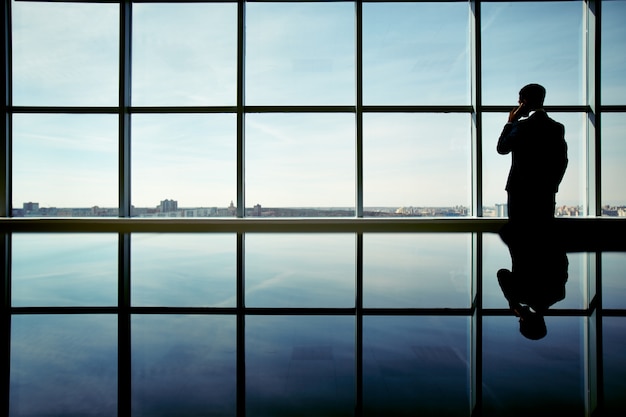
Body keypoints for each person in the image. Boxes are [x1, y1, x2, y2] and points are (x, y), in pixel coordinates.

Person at [497, 83, 568, 224]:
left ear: (525, 102)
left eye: (519, 102)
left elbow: (501, 148)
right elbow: (562, 161)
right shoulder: (556, 127)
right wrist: (552, 186)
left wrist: (510, 122)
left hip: (520, 192)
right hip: (545, 193)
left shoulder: (520, 127)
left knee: (519, 238)